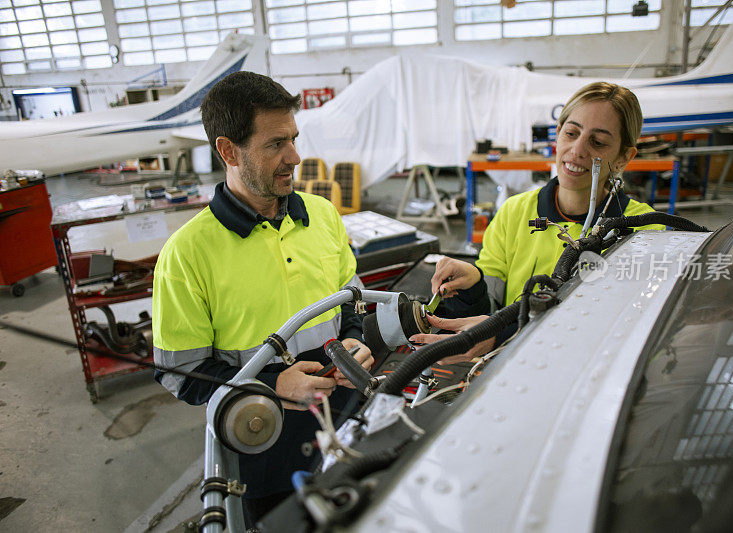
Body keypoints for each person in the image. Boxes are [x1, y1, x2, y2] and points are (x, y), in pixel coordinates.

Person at [151, 71, 373, 528]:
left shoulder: (323, 215)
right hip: (262, 446)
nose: (295, 156)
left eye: (293, 138)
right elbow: (181, 375)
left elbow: (352, 300)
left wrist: (353, 340)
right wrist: (273, 386)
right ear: (228, 151)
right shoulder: (187, 253)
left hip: (350, 421)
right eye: (275, 144)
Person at [411, 82, 662, 359]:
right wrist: (473, 285)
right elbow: (489, 309)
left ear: (624, 157)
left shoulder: (645, 230)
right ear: (558, 135)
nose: (577, 150)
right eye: (571, 133)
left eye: (598, 142)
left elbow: (624, 330)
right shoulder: (514, 212)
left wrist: (502, 334)